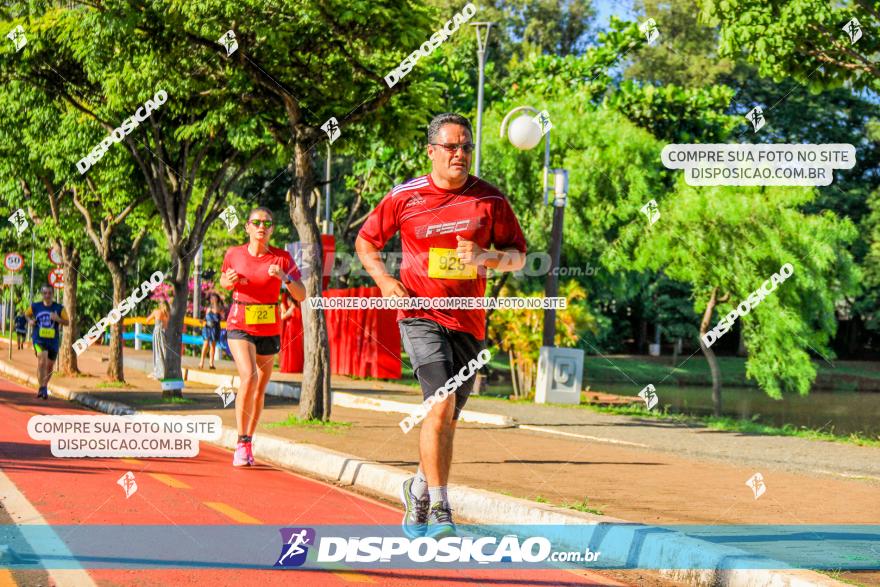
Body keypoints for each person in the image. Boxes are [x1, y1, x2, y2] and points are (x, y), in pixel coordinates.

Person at [356, 112, 527, 538]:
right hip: (419, 314)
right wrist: (383, 279)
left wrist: (486, 257)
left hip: (468, 320)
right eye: (451, 146)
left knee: (446, 417)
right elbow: (365, 242)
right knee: (441, 405)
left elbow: (518, 256)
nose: (460, 154)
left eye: (466, 146)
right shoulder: (404, 196)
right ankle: (440, 509)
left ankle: (416, 488)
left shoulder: (491, 200)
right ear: (431, 150)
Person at [220, 207, 306, 467]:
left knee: (259, 388)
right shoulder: (234, 254)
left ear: (272, 229)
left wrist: (285, 278)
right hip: (239, 323)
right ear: (247, 227)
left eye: (266, 223)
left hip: (269, 328)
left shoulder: (281, 258)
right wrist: (229, 280)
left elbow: (301, 295)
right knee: (249, 375)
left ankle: (248, 441)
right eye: (256, 222)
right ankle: (240, 440)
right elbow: (223, 280)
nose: (261, 227)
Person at [25, 285, 70, 399]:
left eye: (49, 293)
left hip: (53, 341)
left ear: (53, 294)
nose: (47, 295)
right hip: (38, 339)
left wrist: (57, 319)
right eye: (45, 293)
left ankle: (44, 386)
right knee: (42, 360)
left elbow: (67, 322)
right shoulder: (35, 306)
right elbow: (26, 314)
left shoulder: (59, 308)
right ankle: (42, 387)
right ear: (42, 294)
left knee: (49, 367)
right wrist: (30, 320)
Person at [278, 291, 303, 373]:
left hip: (290, 332)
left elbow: (283, 317)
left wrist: (282, 308)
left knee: (289, 350)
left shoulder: (292, 308)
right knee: (296, 350)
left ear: (290, 301)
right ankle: (296, 367)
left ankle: (290, 367)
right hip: (297, 332)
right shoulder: (298, 308)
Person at [145, 300, 169, 380]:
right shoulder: (167, 314)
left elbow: (147, 320)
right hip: (164, 333)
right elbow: (167, 326)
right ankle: (165, 371)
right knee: (164, 351)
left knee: (157, 352)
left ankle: (158, 371)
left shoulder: (156, 311)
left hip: (157, 333)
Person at [199, 293, 223, 369]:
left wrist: (215, 303)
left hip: (215, 328)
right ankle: (201, 362)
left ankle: (211, 363)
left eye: (214, 298)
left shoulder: (218, 307)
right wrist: (203, 320)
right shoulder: (208, 307)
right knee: (205, 344)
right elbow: (207, 317)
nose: (212, 299)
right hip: (207, 327)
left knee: (212, 346)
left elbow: (216, 311)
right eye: (212, 298)